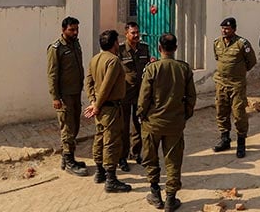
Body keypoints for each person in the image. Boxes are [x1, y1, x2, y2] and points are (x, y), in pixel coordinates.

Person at [138, 33, 196, 212]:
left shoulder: (152, 69)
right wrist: (185, 115)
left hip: (152, 123)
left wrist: (141, 115)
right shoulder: (184, 69)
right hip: (174, 123)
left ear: (159, 48)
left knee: (151, 158)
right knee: (173, 161)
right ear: (176, 48)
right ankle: (171, 198)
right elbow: (191, 97)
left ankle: (155, 193)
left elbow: (144, 98)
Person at [84, 30, 131, 193]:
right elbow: (107, 86)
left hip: (100, 106)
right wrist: (96, 105)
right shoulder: (114, 61)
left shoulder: (95, 59)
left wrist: (93, 101)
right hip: (109, 106)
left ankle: (99, 171)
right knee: (111, 141)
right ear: (114, 44)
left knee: (99, 137)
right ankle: (111, 178)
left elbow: (89, 82)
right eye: (118, 42)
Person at [47, 16, 88, 177]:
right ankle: (69, 161)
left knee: (76, 125)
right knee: (67, 128)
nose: (75, 32)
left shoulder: (75, 43)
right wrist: (55, 97)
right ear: (63, 30)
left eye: (76, 29)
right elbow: (52, 75)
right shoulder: (56, 48)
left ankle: (67, 157)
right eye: (72, 29)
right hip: (64, 95)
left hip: (75, 92)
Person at [212, 17, 257, 158]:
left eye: (228, 29)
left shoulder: (242, 44)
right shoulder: (217, 43)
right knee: (221, 111)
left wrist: (239, 72)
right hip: (221, 83)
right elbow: (218, 59)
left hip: (236, 85)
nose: (225, 31)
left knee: (238, 113)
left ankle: (241, 142)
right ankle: (225, 139)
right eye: (223, 28)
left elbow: (251, 61)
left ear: (234, 29)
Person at [118, 22, 151, 172]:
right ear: (126, 34)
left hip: (140, 93)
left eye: (137, 32)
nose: (136, 35)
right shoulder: (119, 50)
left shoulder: (144, 48)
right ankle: (122, 157)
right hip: (125, 93)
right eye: (133, 33)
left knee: (139, 124)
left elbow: (148, 67)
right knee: (123, 127)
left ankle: (136, 153)